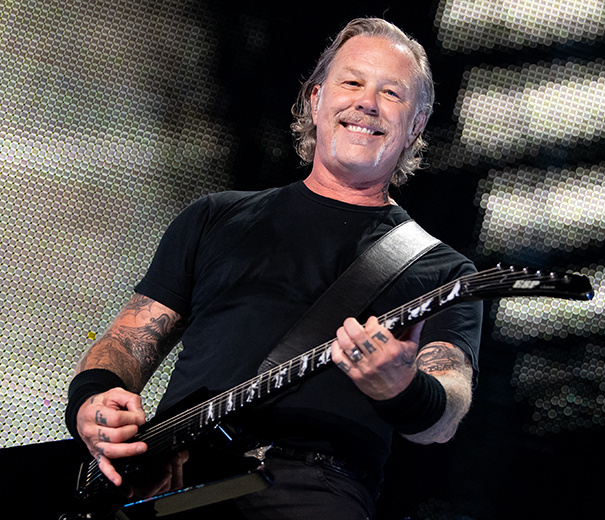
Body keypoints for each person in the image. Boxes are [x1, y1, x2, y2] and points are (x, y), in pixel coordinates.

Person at [65, 17, 482, 519]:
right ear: (316, 99)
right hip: (171, 483)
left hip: (314, 490)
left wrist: (404, 388)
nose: (367, 102)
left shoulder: (443, 270)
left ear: (415, 125)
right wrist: (92, 402)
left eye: (391, 93)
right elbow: (126, 344)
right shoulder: (214, 217)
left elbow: (446, 412)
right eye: (352, 82)